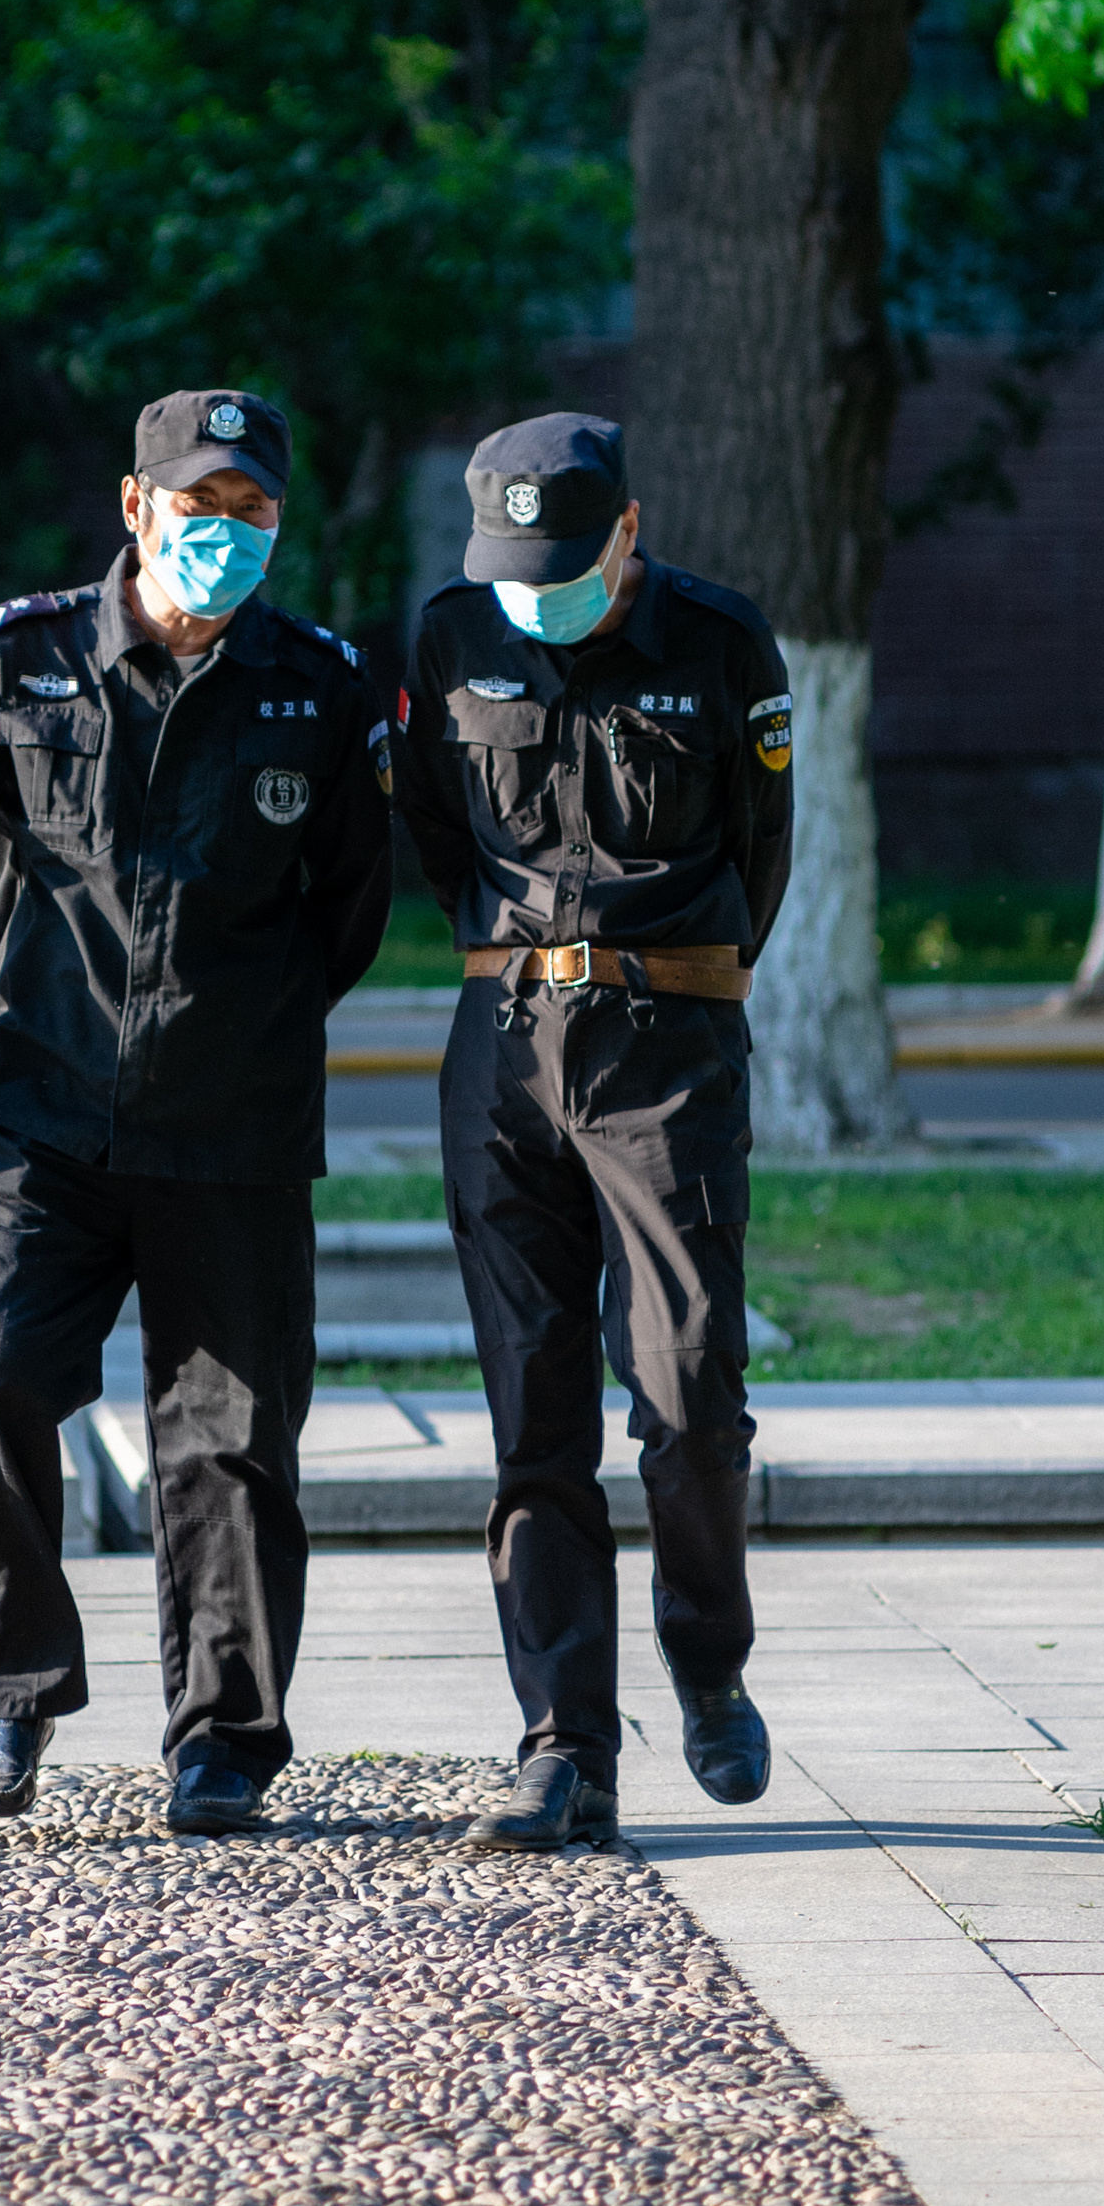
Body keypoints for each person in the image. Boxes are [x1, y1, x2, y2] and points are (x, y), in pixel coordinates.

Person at [0, 391, 393, 1834]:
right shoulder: (22, 660)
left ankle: (223, 1740)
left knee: (234, 1443)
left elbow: (352, 912)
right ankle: (11, 1693)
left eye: (254, 512)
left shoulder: (317, 689)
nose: (228, 534)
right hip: (49, 1120)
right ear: (135, 509)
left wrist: (240, 1036)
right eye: (201, 509)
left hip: (236, 1139)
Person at [393, 411, 793, 1854]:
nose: (533, 591)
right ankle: (566, 1745)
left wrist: (666, 976)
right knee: (532, 1411)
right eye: (511, 566)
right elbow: (439, 832)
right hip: (501, 1055)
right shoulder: (448, 640)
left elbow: (765, 853)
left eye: (560, 562)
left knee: (690, 1390)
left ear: (627, 530)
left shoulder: (720, 645)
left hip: (667, 1051)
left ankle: (709, 1653)